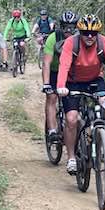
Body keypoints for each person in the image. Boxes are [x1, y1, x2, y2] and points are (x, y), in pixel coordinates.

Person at [56, 14, 105, 175]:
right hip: (73, 83)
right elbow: (64, 65)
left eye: (93, 33)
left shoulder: (103, 42)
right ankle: (71, 157)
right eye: (86, 33)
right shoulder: (72, 42)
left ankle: (103, 142)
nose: (90, 36)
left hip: (94, 81)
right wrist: (61, 86)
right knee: (71, 119)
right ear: (80, 32)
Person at [41, 10, 78, 144]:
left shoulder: (79, 38)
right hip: (54, 71)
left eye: (72, 27)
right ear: (60, 26)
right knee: (51, 97)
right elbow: (46, 63)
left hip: (71, 73)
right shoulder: (53, 38)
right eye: (65, 27)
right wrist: (46, 84)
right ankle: (52, 131)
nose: (68, 30)